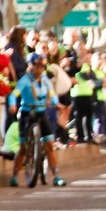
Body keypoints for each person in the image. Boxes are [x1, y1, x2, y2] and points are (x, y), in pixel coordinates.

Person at [8, 53, 63, 186]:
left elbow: (51, 93)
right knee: (23, 148)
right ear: (31, 66)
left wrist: (55, 102)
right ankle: (15, 175)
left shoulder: (45, 80)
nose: (40, 70)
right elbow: (13, 94)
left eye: (42, 67)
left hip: (40, 111)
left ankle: (56, 175)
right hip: (27, 112)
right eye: (37, 66)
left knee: (49, 144)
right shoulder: (24, 80)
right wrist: (12, 104)